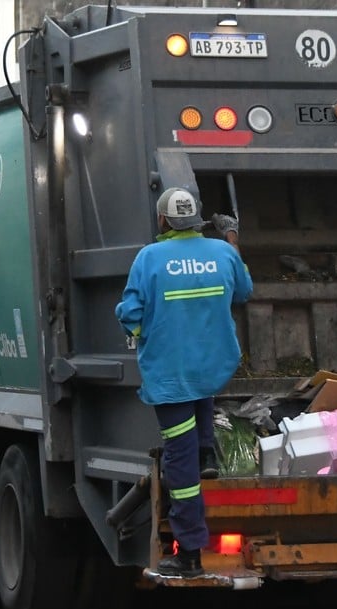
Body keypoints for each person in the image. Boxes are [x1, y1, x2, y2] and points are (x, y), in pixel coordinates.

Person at [115, 187, 252, 577]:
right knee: (202, 398)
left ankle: (190, 552)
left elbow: (132, 313)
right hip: (211, 366)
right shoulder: (223, 252)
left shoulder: (150, 258)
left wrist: (132, 322)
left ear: (163, 221)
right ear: (198, 219)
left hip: (171, 373)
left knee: (180, 463)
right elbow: (244, 290)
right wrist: (231, 238)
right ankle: (207, 454)